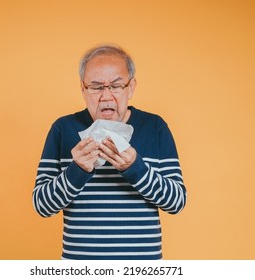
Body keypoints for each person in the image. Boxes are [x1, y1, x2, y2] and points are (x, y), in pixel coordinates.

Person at [32, 44, 187, 260]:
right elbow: (42, 205)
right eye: (96, 87)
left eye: (116, 86)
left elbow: (176, 202)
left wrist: (136, 169)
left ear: (130, 87)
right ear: (83, 89)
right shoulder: (63, 128)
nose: (106, 96)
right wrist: (76, 171)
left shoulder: (155, 127)